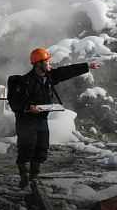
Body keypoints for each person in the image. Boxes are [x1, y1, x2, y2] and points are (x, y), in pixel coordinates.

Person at [7, 48, 100, 188]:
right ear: (38, 63)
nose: (50, 64)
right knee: (26, 148)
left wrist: (87, 66)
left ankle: (34, 178)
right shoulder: (26, 81)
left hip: (42, 119)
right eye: (47, 61)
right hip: (27, 121)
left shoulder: (49, 77)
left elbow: (66, 71)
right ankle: (24, 178)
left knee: (42, 148)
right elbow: (17, 102)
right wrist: (29, 107)